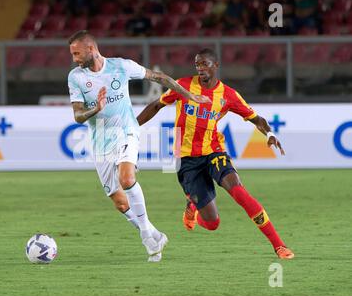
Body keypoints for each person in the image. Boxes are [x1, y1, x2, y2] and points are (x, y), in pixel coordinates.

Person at [136, 48, 294, 259]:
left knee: (239, 192)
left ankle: (279, 245)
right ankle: (193, 203)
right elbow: (156, 105)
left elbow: (256, 119)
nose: (200, 69)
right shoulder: (182, 85)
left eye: (204, 64)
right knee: (212, 223)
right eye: (197, 65)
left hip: (214, 151)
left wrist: (269, 134)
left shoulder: (228, 95)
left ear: (216, 66)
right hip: (186, 159)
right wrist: (132, 125)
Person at [67, 30, 210, 262]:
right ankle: (154, 234)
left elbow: (160, 78)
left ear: (91, 49)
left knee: (126, 178)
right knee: (120, 202)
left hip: (127, 131)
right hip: (101, 140)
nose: (74, 59)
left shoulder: (121, 66)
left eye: (77, 53)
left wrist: (189, 96)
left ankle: (146, 237)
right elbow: (78, 116)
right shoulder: (76, 77)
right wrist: (95, 109)